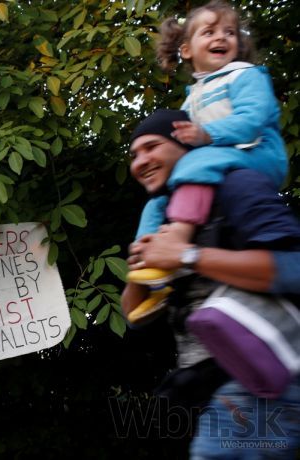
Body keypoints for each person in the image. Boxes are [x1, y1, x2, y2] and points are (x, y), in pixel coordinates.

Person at [122, 109, 300, 458]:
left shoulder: (236, 185)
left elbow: (294, 267)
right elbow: (133, 315)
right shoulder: (166, 218)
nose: (140, 162)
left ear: (186, 144)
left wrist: (187, 256)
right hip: (215, 388)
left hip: (269, 382)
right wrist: (141, 267)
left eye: (152, 147)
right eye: (134, 155)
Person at [127, 0, 289, 322]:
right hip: (219, 157)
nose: (222, 38)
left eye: (230, 32)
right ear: (186, 50)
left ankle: (178, 237)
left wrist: (206, 134)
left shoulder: (245, 75)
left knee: (194, 164)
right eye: (209, 32)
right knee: (156, 203)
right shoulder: (194, 95)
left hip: (257, 154)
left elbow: (253, 119)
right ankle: (148, 264)